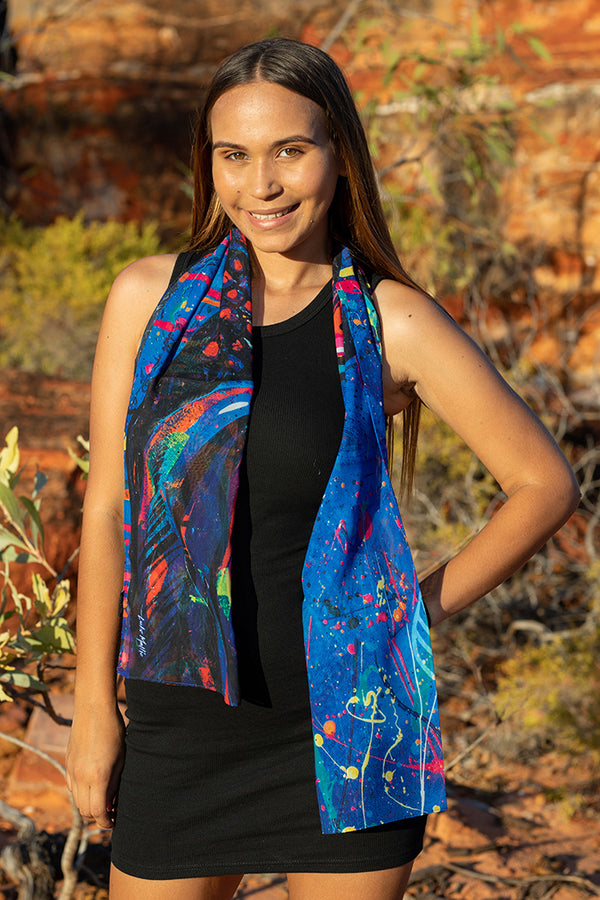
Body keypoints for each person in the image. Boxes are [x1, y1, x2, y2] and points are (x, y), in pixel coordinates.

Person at [65, 37, 580, 900]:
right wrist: (92, 714)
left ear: (339, 154)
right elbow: (109, 506)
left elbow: (544, 485)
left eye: (290, 151)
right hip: (179, 732)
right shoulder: (147, 299)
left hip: (350, 723)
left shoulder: (390, 321)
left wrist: (405, 615)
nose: (260, 185)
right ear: (209, 164)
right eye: (234, 155)